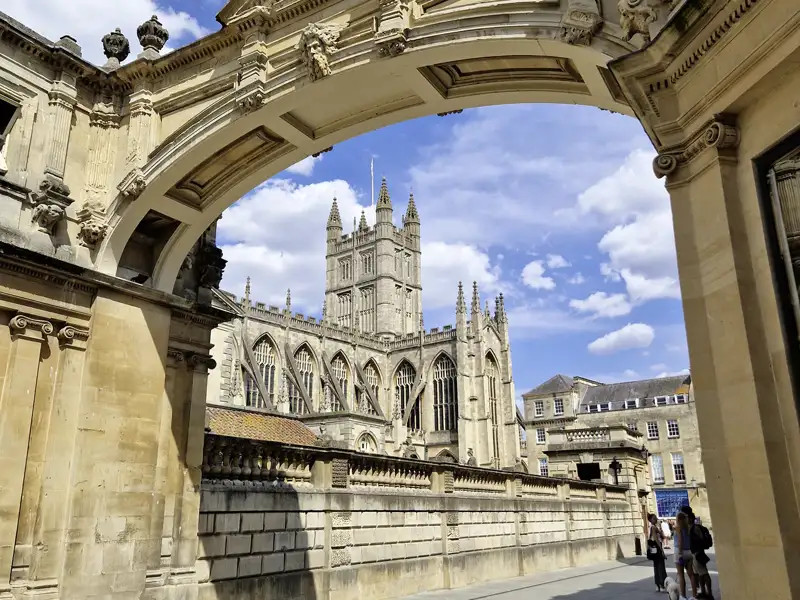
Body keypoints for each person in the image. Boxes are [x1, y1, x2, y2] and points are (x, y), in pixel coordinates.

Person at [674, 511, 697, 599]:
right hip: (689, 552)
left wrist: (679, 554)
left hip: (680, 551)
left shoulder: (678, 528)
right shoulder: (688, 528)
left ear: (679, 519)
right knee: (691, 574)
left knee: (681, 575)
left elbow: (680, 541)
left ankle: (683, 596)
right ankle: (694, 595)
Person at [690, 517, 714, 599]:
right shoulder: (691, 528)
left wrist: (699, 549)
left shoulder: (695, 528)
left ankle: (709, 593)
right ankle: (703, 591)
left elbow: (701, 539)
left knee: (704, 573)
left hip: (697, 553)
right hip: (694, 552)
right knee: (699, 574)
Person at [647, 513, 668, 592]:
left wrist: (660, 529)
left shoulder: (653, 527)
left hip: (654, 550)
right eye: (654, 518)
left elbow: (663, 536)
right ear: (651, 520)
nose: (656, 519)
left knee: (656, 567)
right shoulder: (653, 528)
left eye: (656, 518)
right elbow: (656, 539)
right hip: (657, 549)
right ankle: (661, 584)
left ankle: (658, 585)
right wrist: (662, 551)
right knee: (660, 567)